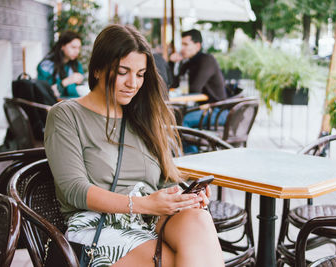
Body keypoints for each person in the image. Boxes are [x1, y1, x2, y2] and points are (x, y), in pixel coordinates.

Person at [44, 24, 224, 267]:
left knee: (199, 220)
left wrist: (184, 197)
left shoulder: (141, 116)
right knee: (176, 262)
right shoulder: (66, 115)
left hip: (149, 218)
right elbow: (74, 189)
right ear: (97, 68)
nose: (133, 83)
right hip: (99, 225)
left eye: (140, 74)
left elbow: (163, 181)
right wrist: (144, 204)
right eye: (123, 72)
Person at [169, 29, 227, 128]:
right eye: (181, 44)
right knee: (174, 116)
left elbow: (195, 88)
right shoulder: (188, 63)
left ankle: (190, 144)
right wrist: (172, 63)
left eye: (186, 44)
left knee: (184, 120)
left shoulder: (207, 60)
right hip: (203, 108)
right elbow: (173, 84)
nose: (182, 48)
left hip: (219, 111)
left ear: (197, 46)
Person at [37, 30, 84, 98]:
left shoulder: (76, 65)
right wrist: (66, 82)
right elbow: (45, 94)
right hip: (55, 106)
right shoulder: (46, 66)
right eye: (73, 47)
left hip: (74, 104)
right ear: (62, 46)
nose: (77, 51)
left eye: (79, 48)